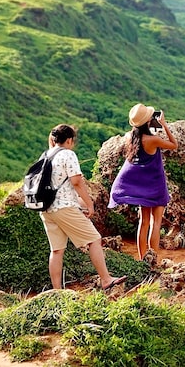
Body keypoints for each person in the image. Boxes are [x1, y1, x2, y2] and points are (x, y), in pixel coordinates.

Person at [40, 124, 127, 291]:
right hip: (64, 207)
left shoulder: (46, 155)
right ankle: (106, 279)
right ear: (70, 140)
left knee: (57, 250)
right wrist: (89, 203)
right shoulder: (68, 154)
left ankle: (57, 291)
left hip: (46, 209)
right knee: (94, 239)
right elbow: (77, 182)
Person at [109, 104, 178, 262]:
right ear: (148, 121)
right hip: (156, 184)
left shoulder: (129, 137)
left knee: (144, 221)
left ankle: (142, 260)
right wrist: (164, 125)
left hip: (141, 186)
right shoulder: (153, 140)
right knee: (156, 223)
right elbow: (174, 145)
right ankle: (154, 260)